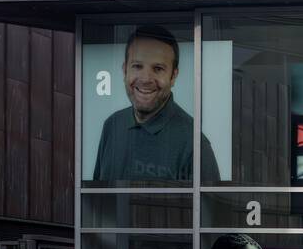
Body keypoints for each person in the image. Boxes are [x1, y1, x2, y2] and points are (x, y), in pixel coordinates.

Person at [92, 24, 220, 184]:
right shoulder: (112, 126)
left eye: (158, 68)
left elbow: (212, 209)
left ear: (173, 76)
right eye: (137, 66)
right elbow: (96, 204)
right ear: (125, 70)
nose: (145, 79)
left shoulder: (195, 145)